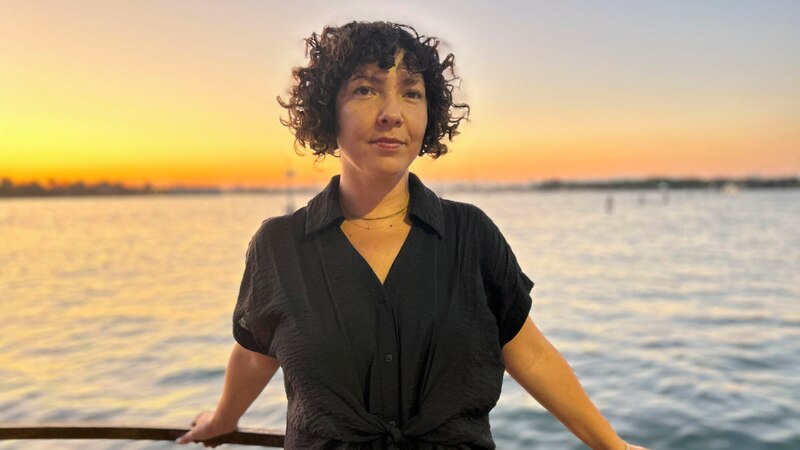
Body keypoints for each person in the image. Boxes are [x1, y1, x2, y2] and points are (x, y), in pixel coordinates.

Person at [177, 21, 648, 450]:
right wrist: (222, 420)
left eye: (411, 93)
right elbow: (256, 353)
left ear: (430, 113)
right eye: (365, 90)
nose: (391, 114)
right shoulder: (279, 246)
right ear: (327, 110)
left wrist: (614, 446)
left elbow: (529, 351)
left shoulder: (471, 235)